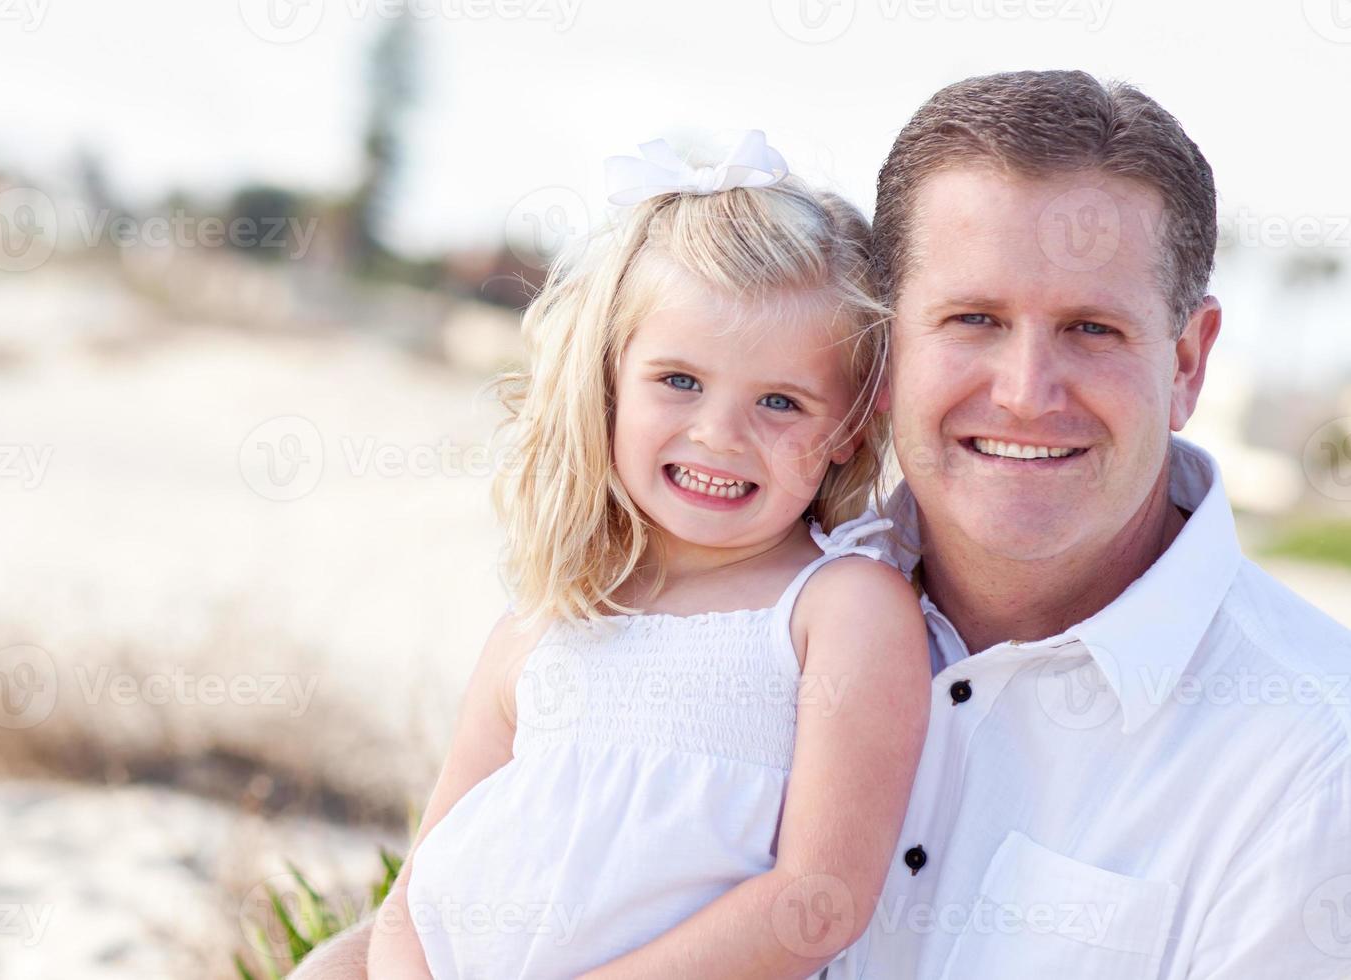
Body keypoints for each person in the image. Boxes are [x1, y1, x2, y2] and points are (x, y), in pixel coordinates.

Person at [360, 131, 930, 978]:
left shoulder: (837, 610)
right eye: (680, 381)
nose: (719, 434)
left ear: (849, 430)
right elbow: (415, 896)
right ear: (609, 383)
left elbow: (818, 900)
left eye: (781, 400)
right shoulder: (544, 623)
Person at [852, 70, 1351, 977]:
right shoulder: (746, 631)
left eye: (1091, 329)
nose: (1025, 392)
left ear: (1189, 364)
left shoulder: (1320, 763)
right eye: (974, 318)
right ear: (885, 348)